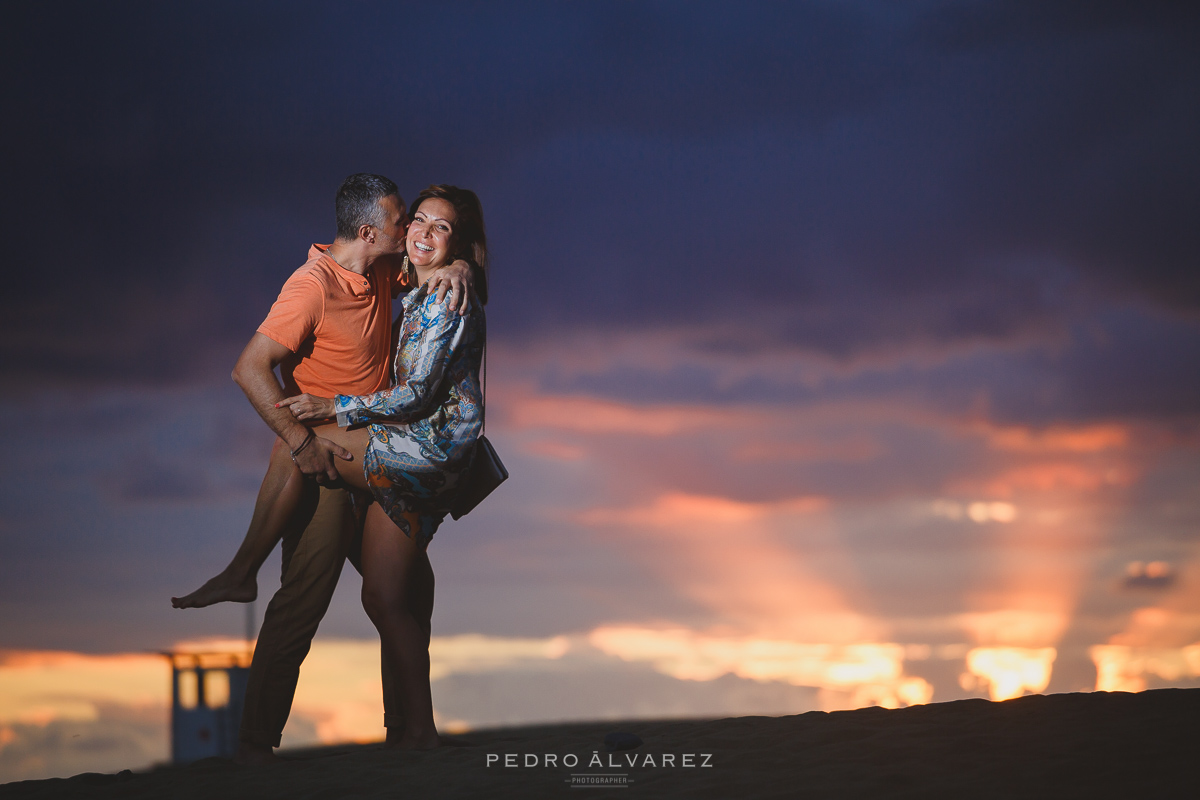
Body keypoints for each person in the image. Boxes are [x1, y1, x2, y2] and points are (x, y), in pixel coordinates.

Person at [172, 174, 474, 762]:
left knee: (411, 592)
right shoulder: (310, 286)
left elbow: (433, 267)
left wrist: (459, 268)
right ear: (370, 232)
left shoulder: (384, 267)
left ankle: (405, 736)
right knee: (303, 601)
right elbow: (249, 368)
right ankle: (256, 748)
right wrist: (298, 441)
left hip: (381, 452)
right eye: (401, 220)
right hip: (325, 461)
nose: (410, 228)